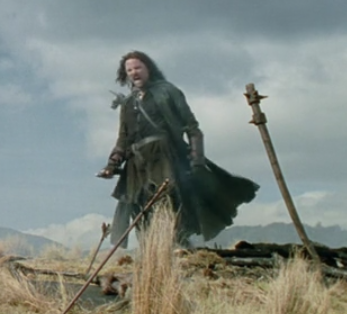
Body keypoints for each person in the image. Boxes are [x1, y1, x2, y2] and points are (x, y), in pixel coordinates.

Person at [97, 51, 258, 247]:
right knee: (140, 209)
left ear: (148, 68)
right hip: (136, 163)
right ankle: (151, 252)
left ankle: (177, 247)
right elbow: (123, 138)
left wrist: (197, 160)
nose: (134, 72)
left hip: (164, 156)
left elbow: (192, 127)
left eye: (138, 67)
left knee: (168, 202)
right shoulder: (128, 103)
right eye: (129, 70)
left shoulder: (168, 92)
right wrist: (111, 165)